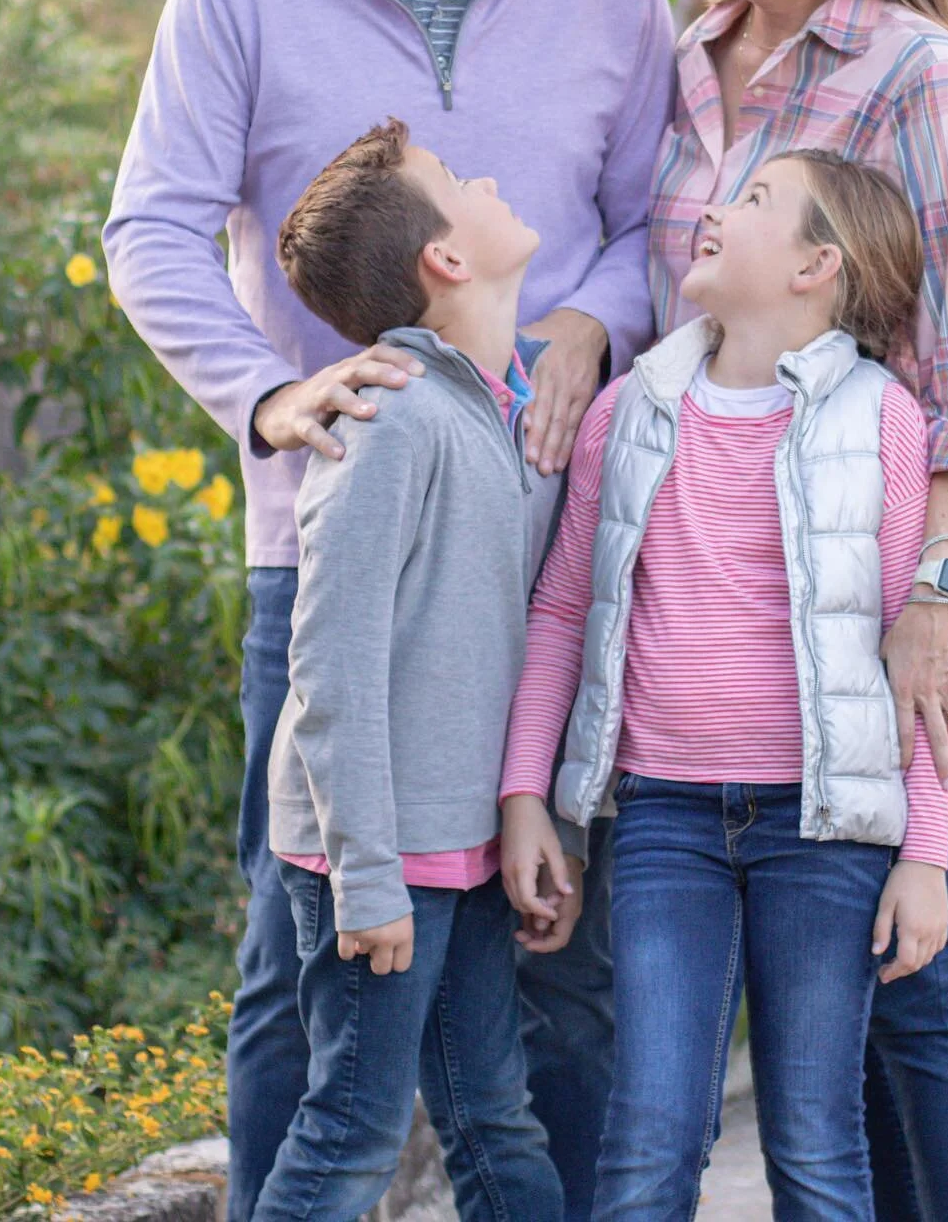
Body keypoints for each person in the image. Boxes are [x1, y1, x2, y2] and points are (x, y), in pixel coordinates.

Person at [103, 0, 676, 1222]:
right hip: (328, 544)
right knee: (299, 975)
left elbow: (651, 229)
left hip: (549, 563)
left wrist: (587, 323)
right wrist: (267, 398)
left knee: (560, 976)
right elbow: (150, 230)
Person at [647, 0, 948, 1219]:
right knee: (832, 1029)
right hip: (717, 620)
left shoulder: (919, 77)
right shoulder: (694, 60)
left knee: (922, 991)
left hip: (881, 604)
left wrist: (939, 594)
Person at [502, 149, 948, 1219]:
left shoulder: (881, 420)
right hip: (663, 821)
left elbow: (912, 657)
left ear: (815, 267)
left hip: (826, 828)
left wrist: (925, 855)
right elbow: (563, 612)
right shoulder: (629, 411)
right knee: (651, 1137)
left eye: (755, 201)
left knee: (812, 1140)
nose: (716, 207)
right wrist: (529, 800)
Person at [252, 119, 570, 1221]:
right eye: (457, 178)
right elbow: (331, 662)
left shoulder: (496, 405)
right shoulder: (388, 417)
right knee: (351, 1137)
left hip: (462, 850)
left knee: (493, 1123)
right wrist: (368, 875)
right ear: (446, 257)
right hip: (379, 862)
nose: (485, 174)